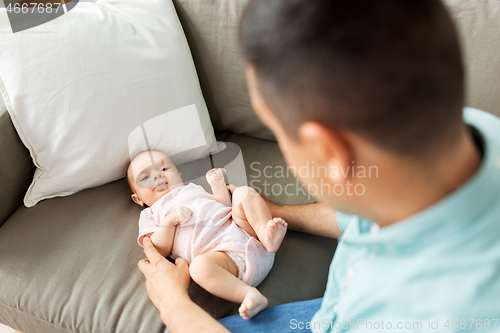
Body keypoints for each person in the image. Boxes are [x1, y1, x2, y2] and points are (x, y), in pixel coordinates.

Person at [137, 0, 500, 332]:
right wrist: (280, 213)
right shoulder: (467, 132)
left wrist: (176, 309)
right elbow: (362, 214)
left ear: (330, 151)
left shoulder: (434, 314)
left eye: (279, 133)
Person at [128, 150, 287, 319]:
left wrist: (218, 187)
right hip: (223, 260)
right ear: (138, 199)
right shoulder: (150, 214)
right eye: (145, 178)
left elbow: (223, 206)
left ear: (180, 176)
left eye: (164, 169)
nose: (158, 176)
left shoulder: (192, 189)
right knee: (198, 267)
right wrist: (168, 221)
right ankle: (247, 294)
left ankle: (265, 234)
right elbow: (158, 250)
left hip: (245, 234)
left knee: (243, 193)